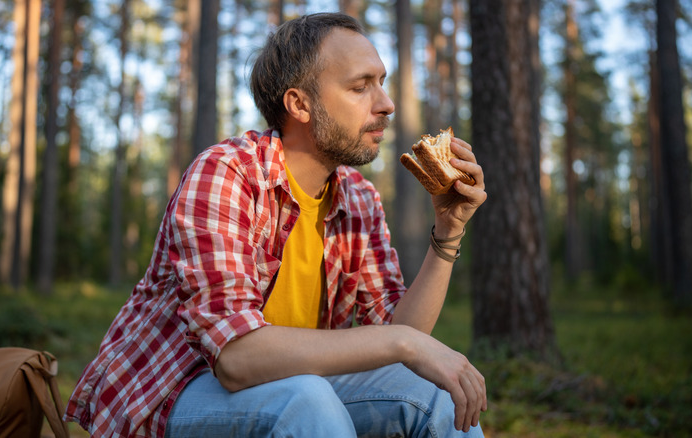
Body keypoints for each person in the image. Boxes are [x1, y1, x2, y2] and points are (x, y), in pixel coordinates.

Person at [65, 12, 488, 438]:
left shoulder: (358, 198)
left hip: (299, 384)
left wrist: (447, 232)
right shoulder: (226, 174)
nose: (386, 103)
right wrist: (404, 343)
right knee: (303, 401)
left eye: (381, 81)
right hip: (174, 393)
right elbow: (236, 360)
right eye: (360, 87)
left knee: (436, 397)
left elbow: (403, 336)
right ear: (299, 104)